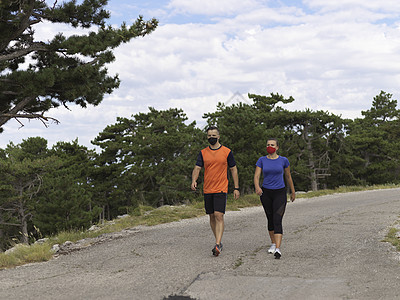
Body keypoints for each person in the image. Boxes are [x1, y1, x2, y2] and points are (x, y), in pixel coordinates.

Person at [191, 126, 240, 256]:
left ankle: (217, 244)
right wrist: (194, 180)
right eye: (209, 136)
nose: (211, 138)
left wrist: (236, 188)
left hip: (221, 188)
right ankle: (218, 240)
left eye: (214, 135)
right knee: (212, 216)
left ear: (218, 136)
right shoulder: (203, 153)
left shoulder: (227, 152)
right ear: (207, 137)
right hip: (208, 189)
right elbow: (197, 168)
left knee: (219, 215)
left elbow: (233, 169)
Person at [254, 138, 295, 259]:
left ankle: (278, 248)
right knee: (270, 218)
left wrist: (293, 191)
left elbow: (288, 176)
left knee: (277, 218)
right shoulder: (261, 160)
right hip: (266, 192)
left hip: (280, 192)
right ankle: (273, 243)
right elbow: (256, 176)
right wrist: (257, 187)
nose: (269, 146)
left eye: (272, 145)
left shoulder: (283, 160)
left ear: (277, 147)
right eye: (268, 145)